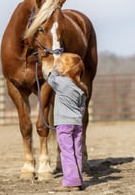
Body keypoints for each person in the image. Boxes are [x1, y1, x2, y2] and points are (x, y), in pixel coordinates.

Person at [44, 53, 88, 191]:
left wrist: (55, 67)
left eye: (61, 65)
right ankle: (78, 179)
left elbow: (50, 78)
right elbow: (82, 108)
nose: (58, 67)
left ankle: (71, 182)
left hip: (64, 124)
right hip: (77, 124)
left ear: (66, 68)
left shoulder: (61, 82)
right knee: (77, 151)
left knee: (67, 151)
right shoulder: (81, 87)